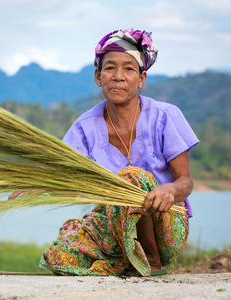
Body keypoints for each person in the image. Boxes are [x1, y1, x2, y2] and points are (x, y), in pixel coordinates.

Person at [38, 29, 199, 276]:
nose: (118, 77)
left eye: (129, 69)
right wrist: (35, 179)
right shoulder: (84, 126)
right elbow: (62, 170)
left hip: (164, 224)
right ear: (98, 77)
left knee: (130, 178)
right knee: (60, 255)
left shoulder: (164, 116)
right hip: (114, 226)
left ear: (142, 79)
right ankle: (126, 261)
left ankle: (152, 261)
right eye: (110, 68)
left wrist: (169, 190)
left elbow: (185, 182)